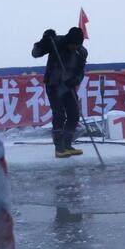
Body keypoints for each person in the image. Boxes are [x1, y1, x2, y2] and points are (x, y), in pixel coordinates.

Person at [32, 27, 87, 158]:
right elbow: (35, 53)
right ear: (68, 40)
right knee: (59, 114)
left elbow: (80, 72)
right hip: (54, 84)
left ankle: (67, 145)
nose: (75, 47)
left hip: (68, 86)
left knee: (74, 114)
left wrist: (74, 81)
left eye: (78, 45)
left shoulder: (82, 52)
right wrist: (44, 40)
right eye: (73, 44)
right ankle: (59, 148)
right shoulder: (55, 42)